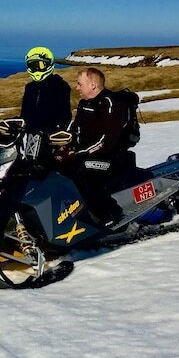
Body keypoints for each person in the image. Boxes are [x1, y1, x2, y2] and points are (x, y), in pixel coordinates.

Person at [56, 67, 132, 228]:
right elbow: (74, 129)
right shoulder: (85, 104)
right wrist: (62, 145)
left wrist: (75, 155)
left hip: (111, 159)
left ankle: (111, 214)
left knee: (82, 173)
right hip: (87, 155)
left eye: (79, 84)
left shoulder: (112, 104)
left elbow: (105, 142)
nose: (76, 88)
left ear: (92, 85)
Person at [20, 46, 72, 135]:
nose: (37, 69)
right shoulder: (30, 87)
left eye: (41, 65)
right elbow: (24, 114)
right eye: (33, 65)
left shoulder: (60, 85)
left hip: (51, 137)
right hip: (31, 136)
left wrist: (59, 129)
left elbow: (65, 114)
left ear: (49, 65)